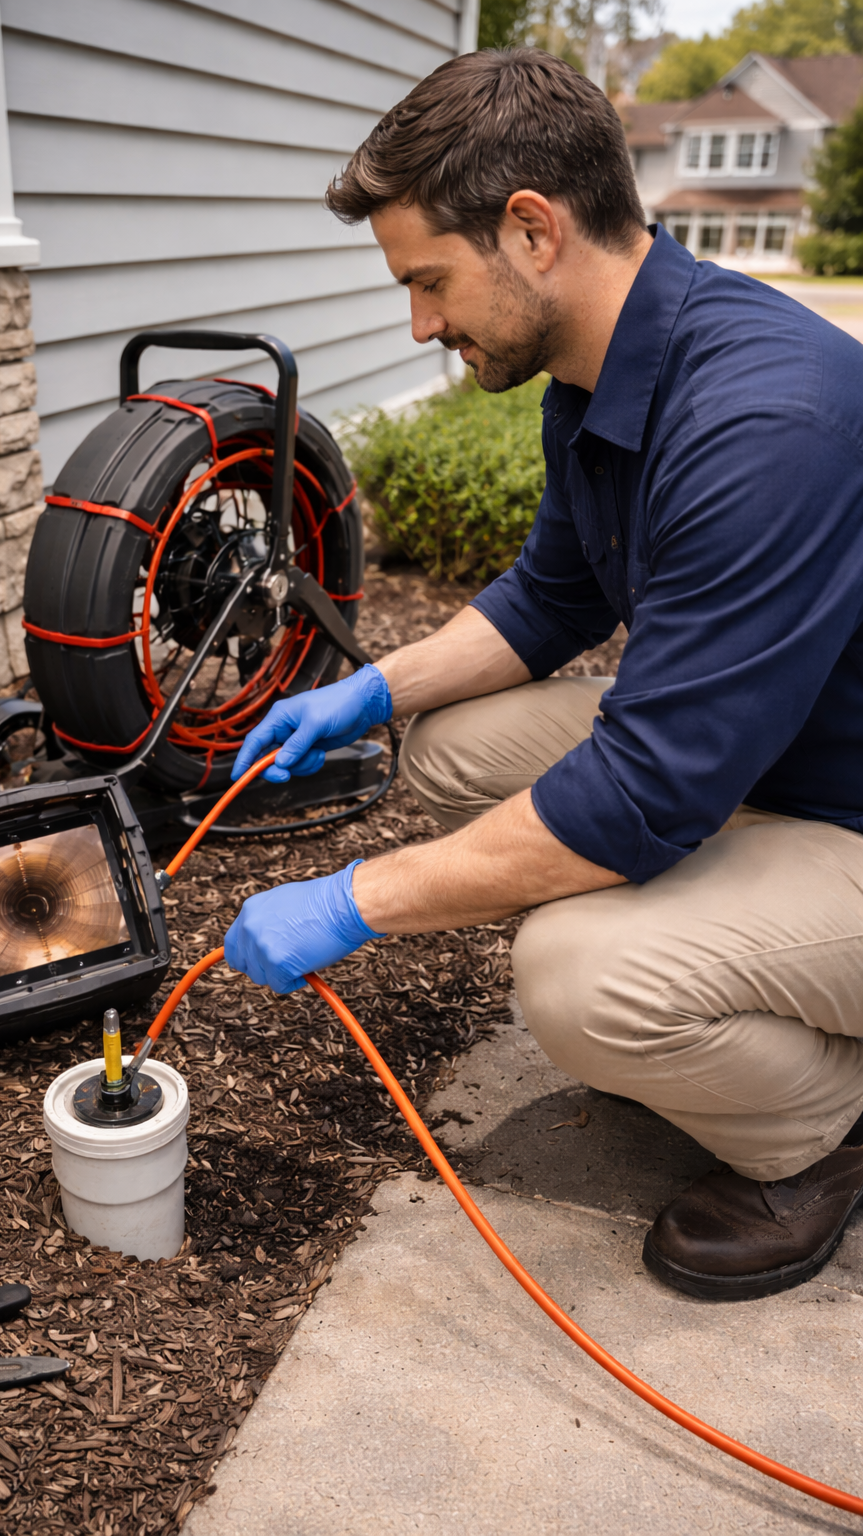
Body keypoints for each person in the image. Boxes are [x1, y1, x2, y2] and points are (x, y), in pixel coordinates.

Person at [223, 48, 863, 1302]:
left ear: (531, 230)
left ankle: (821, 1133)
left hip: (840, 807)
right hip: (777, 763)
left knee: (576, 974)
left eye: (427, 281)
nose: (419, 323)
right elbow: (554, 596)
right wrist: (370, 691)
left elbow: (640, 793)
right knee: (453, 744)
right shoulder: (599, 371)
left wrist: (353, 898)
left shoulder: (764, 419)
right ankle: (735, 963)